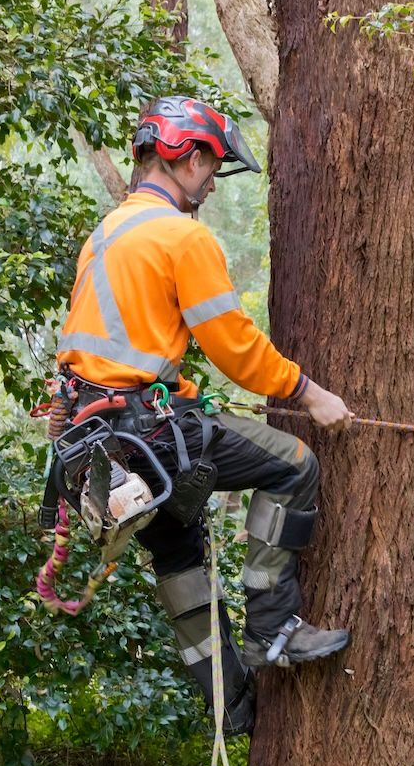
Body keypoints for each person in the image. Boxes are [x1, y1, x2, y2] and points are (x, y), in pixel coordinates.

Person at [55, 96, 352, 733]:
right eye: (211, 167)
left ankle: (228, 701)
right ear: (184, 158)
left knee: (178, 552)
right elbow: (236, 346)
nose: (213, 182)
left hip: (104, 447)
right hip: (155, 434)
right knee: (294, 465)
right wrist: (309, 394)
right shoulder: (180, 236)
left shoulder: (106, 234)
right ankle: (273, 629)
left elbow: (87, 347)